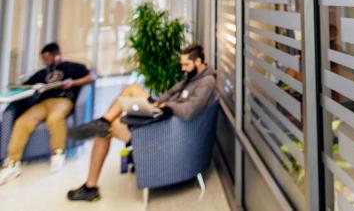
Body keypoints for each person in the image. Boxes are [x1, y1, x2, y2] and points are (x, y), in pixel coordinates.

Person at [66, 44, 215, 202]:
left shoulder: (206, 81)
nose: (183, 68)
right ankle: (103, 122)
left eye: (186, 65)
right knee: (127, 95)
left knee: (109, 123)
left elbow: (189, 110)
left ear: (198, 61)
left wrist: (165, 106)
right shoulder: (192, 77)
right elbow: (171, 93)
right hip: (164, 115)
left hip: (167, 128)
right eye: (182, 64)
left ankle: (91, 185)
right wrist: (157, 103)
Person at [0, 43, 95, 186]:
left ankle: (57, 153)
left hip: (63, 100)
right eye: (43, 58)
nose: (45, 61)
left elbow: (92, 76)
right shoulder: (42, 73)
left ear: (56, 55)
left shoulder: (72, 67)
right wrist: (32, 88)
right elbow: (25, 86)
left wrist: (73, 82)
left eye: (47, 58)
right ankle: (12, 163)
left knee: (55, 118)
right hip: (43, 103)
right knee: (23, 121)